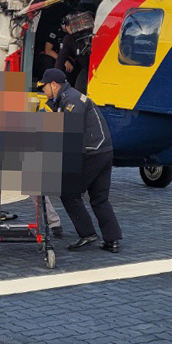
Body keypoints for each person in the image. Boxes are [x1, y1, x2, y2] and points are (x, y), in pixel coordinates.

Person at [38, 67, 122, 252]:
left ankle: (87, 233)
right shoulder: (67, 97)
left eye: (44, 87)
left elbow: (69, 133)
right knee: (100, 198)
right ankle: (112, 240)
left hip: (91, 153)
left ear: (54, 85)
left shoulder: (72, 100)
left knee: (68, 193)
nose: (43, 91)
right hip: (103, 151)